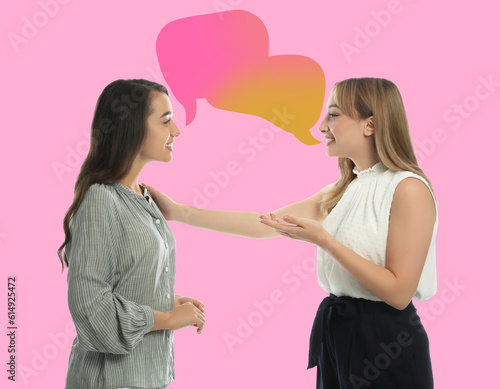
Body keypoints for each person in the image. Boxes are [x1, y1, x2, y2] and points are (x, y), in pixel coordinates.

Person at [143, 77, 437, 388]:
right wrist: (179, 212)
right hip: (338, 334)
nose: (323, 126)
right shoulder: (343, 191)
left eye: (334, 115)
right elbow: (263, 224)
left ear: (370, 125)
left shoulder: (408, 189)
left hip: (387, 342)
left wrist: (324, 240)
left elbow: (399, 292)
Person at [57, 79, 205, 389]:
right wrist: (165, 319)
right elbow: (90, 307)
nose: (176, 131)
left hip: (147, 376)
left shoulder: (143, 197)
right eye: (166, 121)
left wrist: (168, 302)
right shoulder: (100, 199)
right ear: (133, 128)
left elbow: (123, 283)